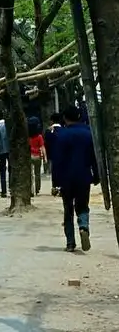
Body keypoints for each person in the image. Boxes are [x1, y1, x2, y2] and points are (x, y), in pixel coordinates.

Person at [54, 106, 99, 252]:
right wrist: (97, 175)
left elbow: (57, 160)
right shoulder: (88, 133)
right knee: (83, 205)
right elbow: (95, 157)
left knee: (68, 209)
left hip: (66, 179)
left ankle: (70, 243)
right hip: (84, 176)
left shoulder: (61, 135)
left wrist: (55, 182)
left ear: (65, 118)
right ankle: (83, 226)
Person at [28, 117, 47, 196]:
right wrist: (45, 157)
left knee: (30, 175)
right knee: (37, 174)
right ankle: (37, 189)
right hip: (37, 157)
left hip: (29, 156)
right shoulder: (39, 136)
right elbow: (42, 147)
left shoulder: (27, 136)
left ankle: (31, 190)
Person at [45, 112, 62, 196]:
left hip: (52, 155)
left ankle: (55, 187)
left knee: (54, 171)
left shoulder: (48, 131)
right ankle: (62, 187)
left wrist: (48, 156)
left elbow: (46, 144)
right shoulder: (64, 130)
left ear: (51, 121)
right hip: (63, 155)